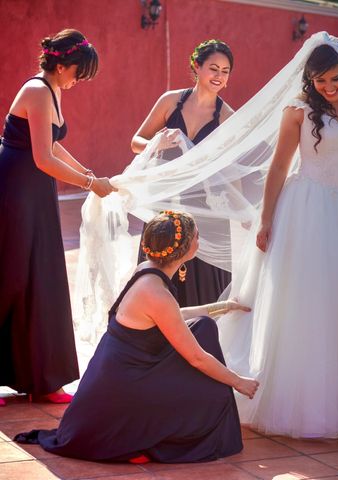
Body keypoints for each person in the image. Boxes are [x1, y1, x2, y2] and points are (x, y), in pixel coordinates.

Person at [217, 37, 338, 440]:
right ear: (310, 80)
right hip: (307, 209)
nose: (329, 87)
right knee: (308, 300)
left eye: (335, 79)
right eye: (320, 81)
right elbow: (277, 168)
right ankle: (302, 401)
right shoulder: (298, 112)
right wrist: (266, 219)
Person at [15, 210, 259, 463]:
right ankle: (162, 430)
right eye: (197, 235)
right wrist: (238, 381)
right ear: (185, 248)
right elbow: (196, 357)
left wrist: (224, 306)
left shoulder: (148, 270)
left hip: (128, 373)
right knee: (204, 342)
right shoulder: (155, 292)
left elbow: (172, 316)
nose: (200, 239)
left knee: (203, 327)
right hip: (125, 386)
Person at [0, 29, 115, 407]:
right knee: (11, 277)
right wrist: (88, 183)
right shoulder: (36, 90)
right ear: (60, 64)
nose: (78, 81)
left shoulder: (54, 90)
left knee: (42, 276)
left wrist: (89, 173)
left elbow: (53, 145)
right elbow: (42, 158)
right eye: (77, 73)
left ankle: (41, 379)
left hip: (35, 189)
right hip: (15, 189)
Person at [131, 39, 235, 307]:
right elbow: (136, 142)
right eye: (213, 68)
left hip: (203, 209)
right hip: (163, 203)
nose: (219, 76)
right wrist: (157, 143)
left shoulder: (226, 116)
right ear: (197, 66)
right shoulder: (170, 101)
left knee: (201, 280)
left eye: (225, 71)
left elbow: (233, 163)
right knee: (158, 268)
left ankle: (196, 335)